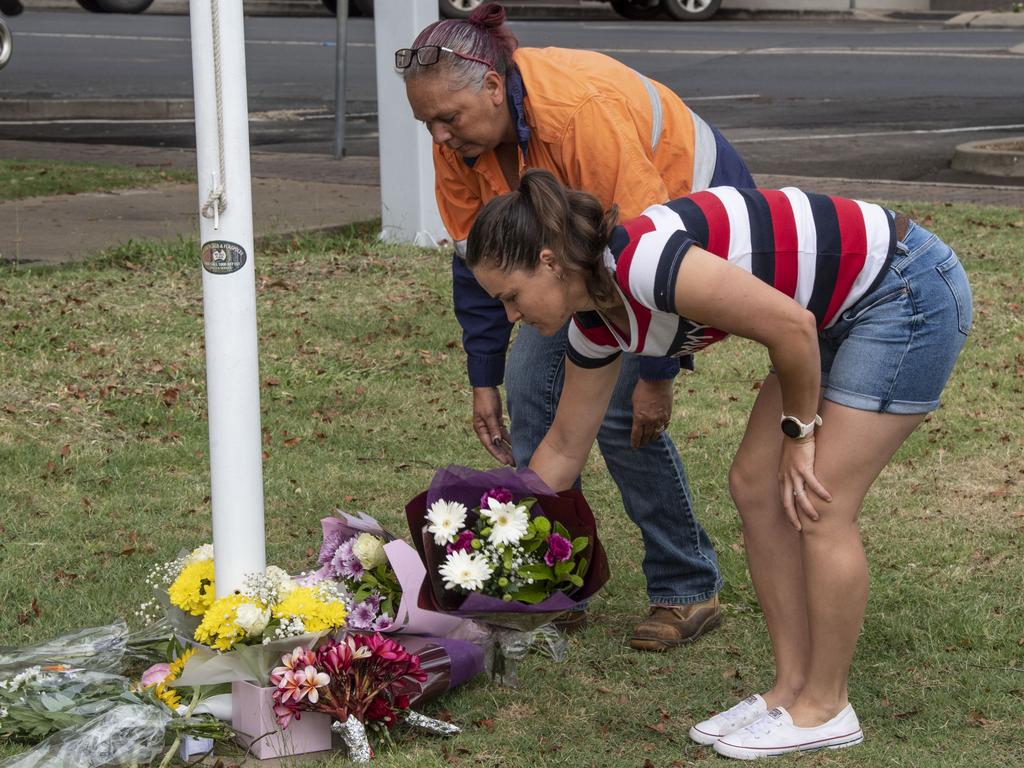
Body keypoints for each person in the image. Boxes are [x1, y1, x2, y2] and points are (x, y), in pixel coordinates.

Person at [465, 169, 971, 759]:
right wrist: (473, 551)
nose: (509, 316)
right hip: (832, 314)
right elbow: (560, 454)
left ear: (550, 263)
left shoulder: (644, 262)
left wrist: (801, 436)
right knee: (755, 485)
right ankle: (789, 690)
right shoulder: (597, 324)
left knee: (818, 498)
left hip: (904, 289)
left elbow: (792, 326)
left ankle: (828, 705)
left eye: (509, 297)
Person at [398, 1, 755, 650]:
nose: (440, 139)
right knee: (534, 400)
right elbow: (478, 260)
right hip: (578, 250)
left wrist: (655, 373)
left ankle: (687, 587)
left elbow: (655, 264)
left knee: (618, 417)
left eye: (447, 119)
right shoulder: (460, 136)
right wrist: (485, 378)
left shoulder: (579, 113)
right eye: (427, 125)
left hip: (687, 225)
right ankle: (554, 580)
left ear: (489, 84)